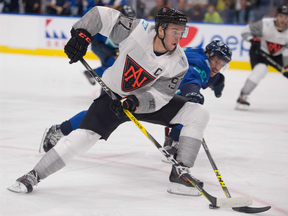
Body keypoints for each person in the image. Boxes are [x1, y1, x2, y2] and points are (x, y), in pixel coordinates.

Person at [8, 7, 210, 197]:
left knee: (198, 113)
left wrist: (135, 102)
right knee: (81, 139)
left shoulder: (179, 62)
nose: (179, 37)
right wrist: (82, 34)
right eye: (175, 31)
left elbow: (161, 96)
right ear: (160, 29)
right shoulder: (138, 30)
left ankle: (180, 174)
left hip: (142, 102)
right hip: (113, 96)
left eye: (182, 32)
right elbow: (101, 16)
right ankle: (33, 176)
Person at [41, 40, 232, 165]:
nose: (218, 67)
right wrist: (193, 92)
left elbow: (206, 76)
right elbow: (193, 77)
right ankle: (59, 131)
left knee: (186, 110)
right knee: (101, 117)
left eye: (222, 65)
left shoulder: (199, 56)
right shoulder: (200, 63)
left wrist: (218, 81)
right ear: (208, 55)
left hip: (150, 93)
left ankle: (173, 139)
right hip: (139, 94)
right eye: (216, 61)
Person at [236, 5, 288, 110]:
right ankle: (243, 96)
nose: (283, 19)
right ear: (276, 16)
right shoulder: (265, 24)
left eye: (286, 17)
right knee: (261, 70)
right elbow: (244, 31)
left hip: (278, 55)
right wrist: (252, 39)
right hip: (259, 52)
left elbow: (287, 51)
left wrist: (286, 66)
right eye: (281, 16)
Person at [83, 4, 136, 85]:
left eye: (131, 18)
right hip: (99, 45)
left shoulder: (129, 28)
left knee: (114, 66)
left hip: (109, 47)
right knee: (112, 64)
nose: (130, 21)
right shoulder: (111, 21)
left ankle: (91, 74)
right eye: (127, 18)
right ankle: (95, 76)